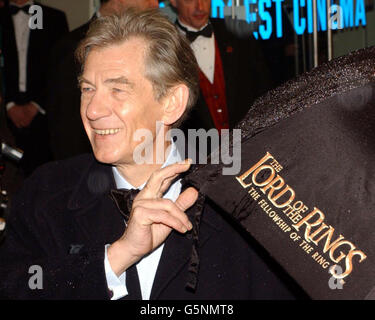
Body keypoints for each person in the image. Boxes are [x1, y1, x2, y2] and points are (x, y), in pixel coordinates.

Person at [0, 9, 302, 300]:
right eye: (87, 89)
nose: (92, 110)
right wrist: (115, 258)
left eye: (117, 90)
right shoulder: (47, 192)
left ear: (171, 102)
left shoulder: (241, 202)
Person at [45, 0, 159, 161]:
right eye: (88, 89)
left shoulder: (157, 44)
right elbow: (65, 131)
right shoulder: (70, 47)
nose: (154, 4)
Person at [170, 0, 273, 131]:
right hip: (195, 148)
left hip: (248, 142)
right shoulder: (166, 47)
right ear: (173, 2)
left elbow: (264, 89)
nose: (200, 7)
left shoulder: (237, 32)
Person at [0, 0, 68, 176]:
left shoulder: (54, 18)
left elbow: (60, 69)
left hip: (43, 115)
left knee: (43, 177)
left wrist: (37, 105)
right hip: (3, 112)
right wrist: (8, 104)